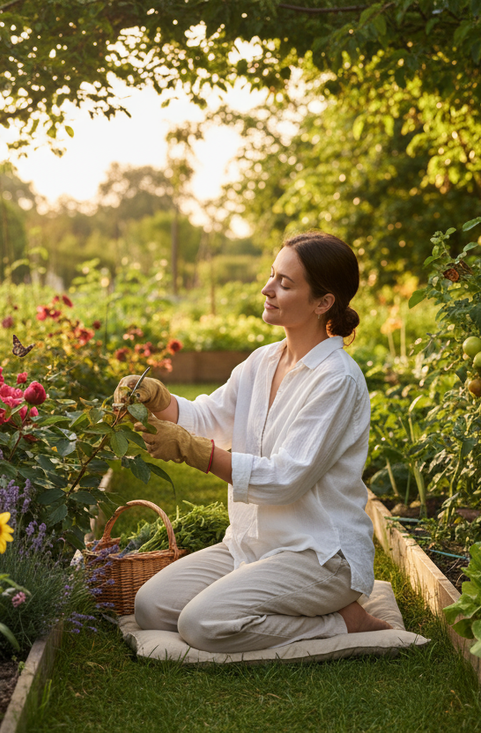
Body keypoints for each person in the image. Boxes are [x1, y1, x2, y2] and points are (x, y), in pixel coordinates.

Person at [115, 231, 390, 654]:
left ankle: (342, 621)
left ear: (323, 302)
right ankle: (311, 610)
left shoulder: (336, 379)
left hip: (318, 555)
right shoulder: (263, 360)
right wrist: (160, 399)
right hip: (252, 546)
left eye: (285, 282)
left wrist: (195, 452)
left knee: (202, 624)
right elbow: (208, 417)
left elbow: (285, 479)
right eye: (272, 275)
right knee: (151, 606)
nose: (268, 289)